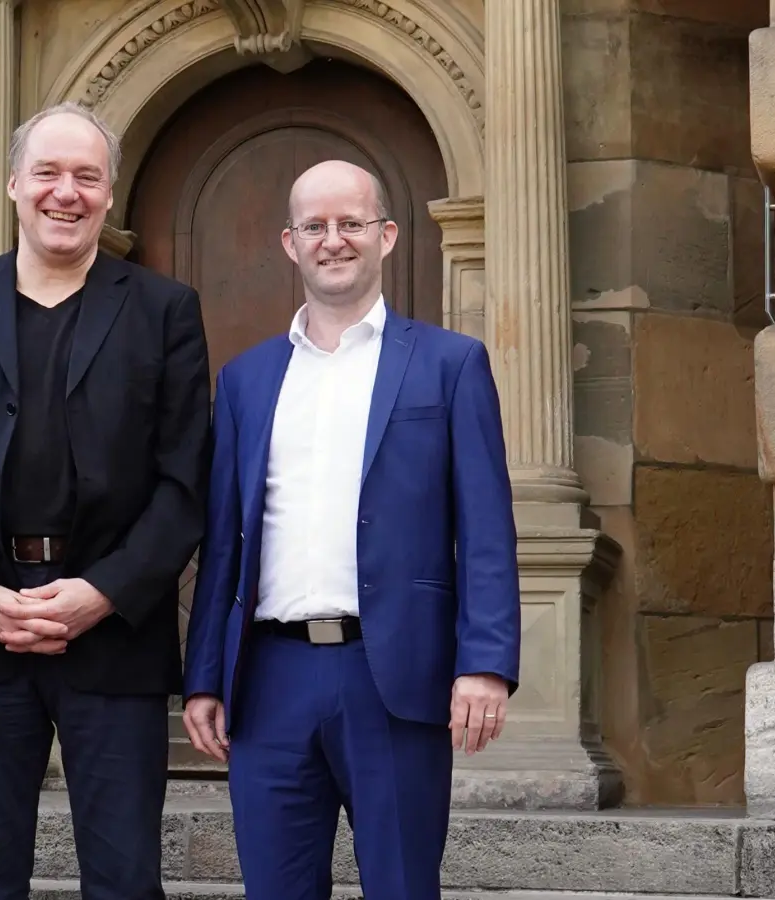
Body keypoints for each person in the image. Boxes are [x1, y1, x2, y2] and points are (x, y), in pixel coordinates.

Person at [0, 101, 212, 900]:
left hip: (114, 631)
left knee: (126, 877)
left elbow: (185, 482)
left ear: (108, 193)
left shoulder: (165, 311)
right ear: (12, 184)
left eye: (86, 177)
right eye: (48, 173)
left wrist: (104, 593)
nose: (65, 193)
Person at [180, 159, 522, 899]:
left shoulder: (450, 364)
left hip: (394, 674)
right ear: (289, 243)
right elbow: (226, 542)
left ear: (387, 236)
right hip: (269, 679)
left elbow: (487, 527)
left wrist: (486, 660)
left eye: (351, 223)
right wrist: (205, 673)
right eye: (316, 226)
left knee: (401, 886)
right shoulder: (245, 381)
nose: (334, 240)